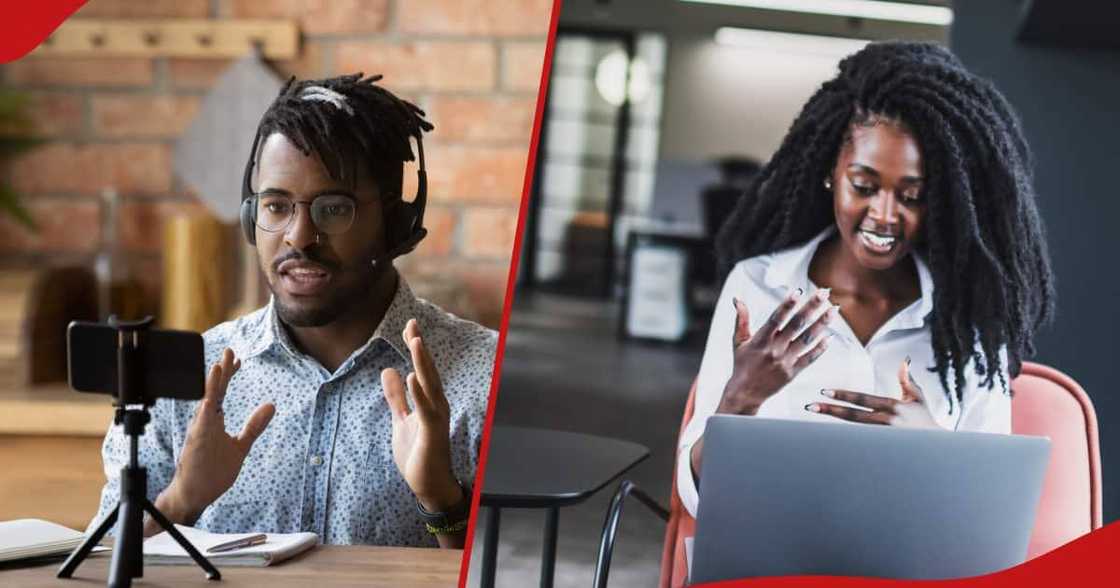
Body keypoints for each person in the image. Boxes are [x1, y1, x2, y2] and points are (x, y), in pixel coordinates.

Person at [90, 74, 497, 548]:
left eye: (333, 209)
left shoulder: (484, 378)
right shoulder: (179, 382)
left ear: (394, 222)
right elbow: (99, 562)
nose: (299, 237)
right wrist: (182, 500)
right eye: (277, 206)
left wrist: (442, 500)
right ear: (251, 216)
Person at [677, 42, 1055, 517]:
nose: (884, 215)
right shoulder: (756, 287)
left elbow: (994, 510)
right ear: (831, 174)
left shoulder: (970, 319)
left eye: (912, 196)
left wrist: (934, 445)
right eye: (864, 186)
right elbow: (695, 496)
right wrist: (739, 399)